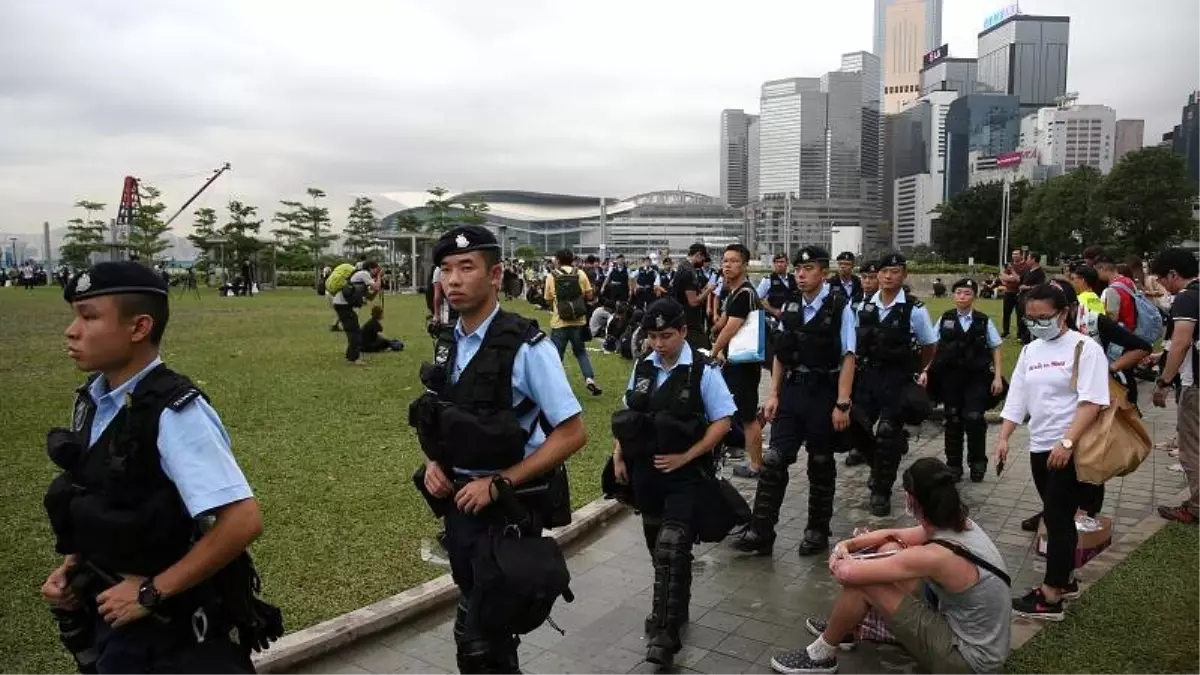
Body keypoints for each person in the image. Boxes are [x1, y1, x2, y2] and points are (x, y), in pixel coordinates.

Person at [42, 261, 279, 674]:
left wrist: (152, 592)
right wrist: (73, 567)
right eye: (74, 315)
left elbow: (242, 520)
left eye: (89, 316)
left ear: (139, 328)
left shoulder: (174, 413)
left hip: (168, 633)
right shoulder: (95, 400)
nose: (72, 330)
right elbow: (101, 493)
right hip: (109, 610)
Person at [411, 225, 587, 672]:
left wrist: (499, 482)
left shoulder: (527, 347)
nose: (452, 280)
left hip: (505, 514)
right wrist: (434, 461)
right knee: (479, 627)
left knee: (482, 641)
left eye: (466, 268)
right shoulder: (448, 342)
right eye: (446, 269)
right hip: (459, 509)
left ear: (495, 276)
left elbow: (572, 433)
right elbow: (442, 418)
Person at [769, 458, 1011, 675]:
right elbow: (895, 534)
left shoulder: (938, 555)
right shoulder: (958, 523)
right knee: (889, 549)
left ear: (912, 499)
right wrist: (849, 544)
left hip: (969, 661)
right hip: (973, 637)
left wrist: (839, 557)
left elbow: (846, 573)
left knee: (864, 583)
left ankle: (821, 654)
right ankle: (846, 628)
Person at [610, 299, 737, 667]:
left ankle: (665, 635)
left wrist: (688, 455)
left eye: (666, 335)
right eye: (652, 336)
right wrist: (619, 454)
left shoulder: (703, 370)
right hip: (646, 474)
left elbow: (723, 422)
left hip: (685, 475)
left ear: (683, 331)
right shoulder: (643, 366)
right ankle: (674, 605)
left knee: (671, 545)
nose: (658, 343)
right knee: (658, 549)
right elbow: (631, 415)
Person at [733, 246, 857, 556]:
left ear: (823, 273)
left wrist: (842, 402)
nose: (801, 275)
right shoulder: (790, 307)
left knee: (820, 462)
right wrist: (773, 393)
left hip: (824, 392)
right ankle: (761, 531)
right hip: (792, 391)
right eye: (798, 270)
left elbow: (848, 356)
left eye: (809, 269)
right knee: (774, 460)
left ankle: (817, 530)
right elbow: (782, 355)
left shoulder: (840, 307)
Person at [997, 283, 1109, 620]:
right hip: (1040, 445)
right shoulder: (1031, 351)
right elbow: (1017, 396)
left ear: (1064, 313)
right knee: (1057, 516)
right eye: (1030, 318)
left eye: (1043, 317)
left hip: (1069, 448)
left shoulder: (1084, 349)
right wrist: (1004, 437)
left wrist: (1068, 441)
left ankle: (1050, 596)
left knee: (1057, 519)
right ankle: (1067, 581)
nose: (1036, 323)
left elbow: (1092, 403)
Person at [854, 253, 938, 515]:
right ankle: (880, 466)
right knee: (857, 429)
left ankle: (881, 491)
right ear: (876, 275)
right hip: (867, 377)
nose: (888, 276)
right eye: (884, 271)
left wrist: (918, 370)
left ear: (904, 275)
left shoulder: (914, 309)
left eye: (895, 271)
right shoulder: (863, 307)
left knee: (887, 434)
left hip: (897, 378)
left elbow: (929, 345)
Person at [927, 279, 1005, 483]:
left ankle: (978, 463)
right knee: (952, 419)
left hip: (976, 378)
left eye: (967, 293)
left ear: (974, 297)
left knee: (974, 418)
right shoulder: (945, 319)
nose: (962, 296)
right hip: (950, 378)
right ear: (953, 296)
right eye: (959, 292)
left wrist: (997, 376)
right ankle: (953, 465)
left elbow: (996, 347)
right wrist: (926, 370)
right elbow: (933, 346)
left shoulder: (983, 320)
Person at [1151, 248, 1200, 524]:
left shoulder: (1186, 299)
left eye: (1162, 278)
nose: (1162, 285)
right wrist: (1163, 356)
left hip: (1196, 385)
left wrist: (1165, 381)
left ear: (1173, 274)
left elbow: (1181, 342)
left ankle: (1196, 507)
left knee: (1192, 447)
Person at [711, 244, 765, 478]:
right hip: (735, 362)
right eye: (725, 261)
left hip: (745, 365)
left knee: (748, 417)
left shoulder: (744, 294)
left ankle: (756, 465)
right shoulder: (734, 292)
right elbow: (722, 323)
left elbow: (730, 329)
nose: (727, 265)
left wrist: (714, 351)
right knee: (731, 411)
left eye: (733, 261)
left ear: (744, 265)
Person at [544, 249, 602, 396]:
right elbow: (589, 295)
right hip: (578, 321)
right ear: (572, 260)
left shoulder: (552, 276)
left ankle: (555, 385)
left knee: (557, 356)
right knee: (581, 352)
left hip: (559, 322)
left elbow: (548, 299)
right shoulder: (580, 273)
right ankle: (589, 379)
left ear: (557, 260)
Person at [845, 261, 880, 469]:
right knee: (859, 406)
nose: (867, 282)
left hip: (881, 362)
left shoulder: (886, 303)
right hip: (859, 362)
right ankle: (860, 445)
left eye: (872, 277)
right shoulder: (854, 301)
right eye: (865, 278)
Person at [671, 243, 718, 352]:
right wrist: (709, 290)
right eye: (703, 259)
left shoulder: (683, 267)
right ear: (698, 255)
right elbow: (693, 302)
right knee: (703, 349)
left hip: (683, 317)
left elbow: (690, 293)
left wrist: (704, 289)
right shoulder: (688, 272)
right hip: (690, 320)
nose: (703, 263)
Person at [332, 261, 380, 365]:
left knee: (353, 330)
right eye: (377, 269)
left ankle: (351, 357)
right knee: (354, 331)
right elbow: (376, 286)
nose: (378, 271)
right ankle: (354, 358)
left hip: (342, 303)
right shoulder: (364, 274)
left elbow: (370, 297)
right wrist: (379, 277)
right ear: (371, 268)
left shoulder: (361, 277)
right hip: (343, 304)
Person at [1094, 254, 1138, 332]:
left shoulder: (1112, 290)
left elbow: (1113, 318)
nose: (1096, 274)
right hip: (1133, 328)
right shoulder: (1128, 281)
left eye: (1096, 270)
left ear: (1103, 268)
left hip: (1122, 333)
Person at [1016, 253, 1046, 344]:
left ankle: (1028, 337)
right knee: (1021, 317)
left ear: (1033, 260)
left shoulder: (1040, 273)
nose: (1026, 260)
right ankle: (1021, 336)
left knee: (1028, 318)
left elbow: (1040, 286)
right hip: (1022, 298)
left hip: (1031, 299)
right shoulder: (1027, 271)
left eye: (1028, 258)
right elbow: (1020, 281)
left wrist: (1027, 287)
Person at [998, 250, 1026, 339]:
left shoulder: (1024, 266)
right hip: (1008, 292)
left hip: (1019, 293)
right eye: (1013, 254)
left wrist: (1011, 275)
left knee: (1020, 314)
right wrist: (1008, 279)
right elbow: (1002, 276)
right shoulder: (1010, 265)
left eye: (1016, 254)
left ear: (1021, 255)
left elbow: (1018, 279)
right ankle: (1006, 332)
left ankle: (1020, 334)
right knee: (1006, 313)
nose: (1014, 256)